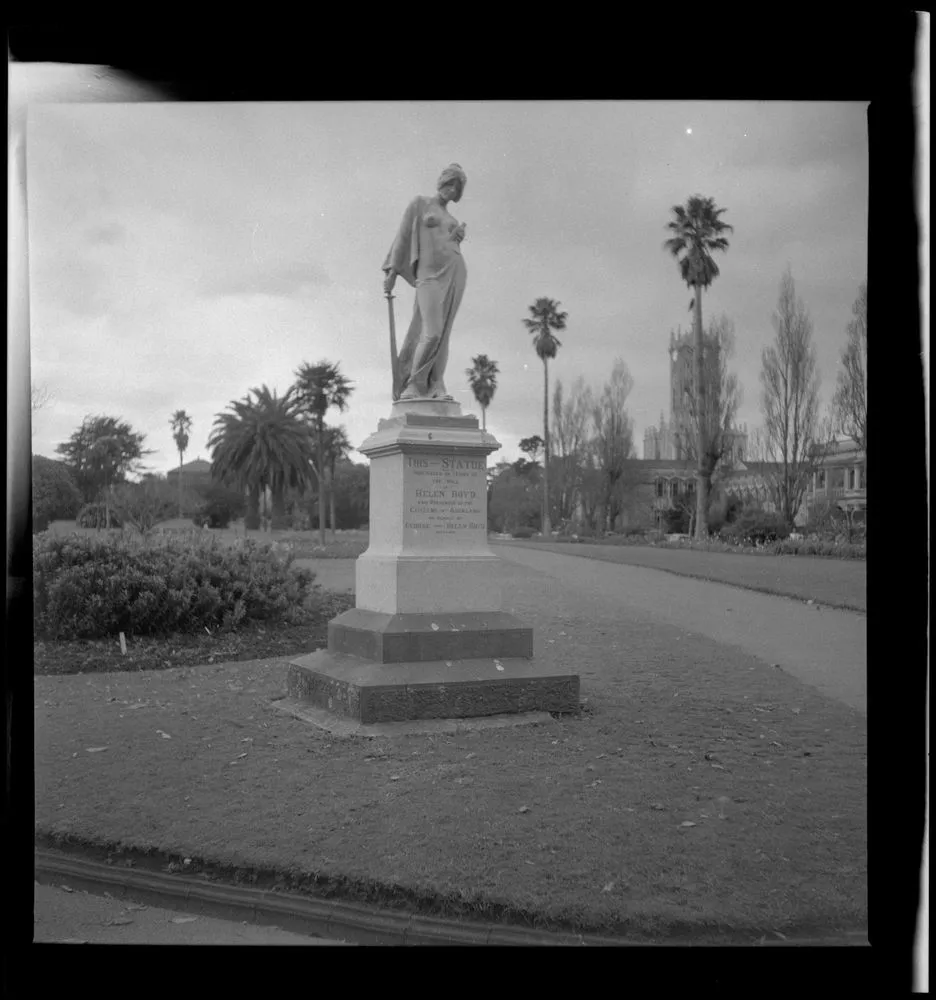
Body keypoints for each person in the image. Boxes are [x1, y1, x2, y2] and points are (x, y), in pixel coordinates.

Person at [382, 164, 467, 400]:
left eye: (456, 188)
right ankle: (415, 384)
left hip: (454, 271)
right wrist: (392, 271)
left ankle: (437, 383)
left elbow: (444, 243)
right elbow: (402, 237)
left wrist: (456, 238)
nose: (451, 190)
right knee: (433, 332)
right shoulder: (420, 203)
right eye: (449, 184)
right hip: (428, 275)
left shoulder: (451, 217)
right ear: (442, 182)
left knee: (444, 332)